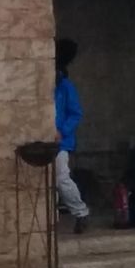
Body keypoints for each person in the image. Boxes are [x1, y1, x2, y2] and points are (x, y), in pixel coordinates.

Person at [53, 38, 90, 233]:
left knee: (61, 179)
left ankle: (80, 212)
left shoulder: (66, 87)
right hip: (44, 140)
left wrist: (62, 131)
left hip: (61, 142)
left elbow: (75, 113)